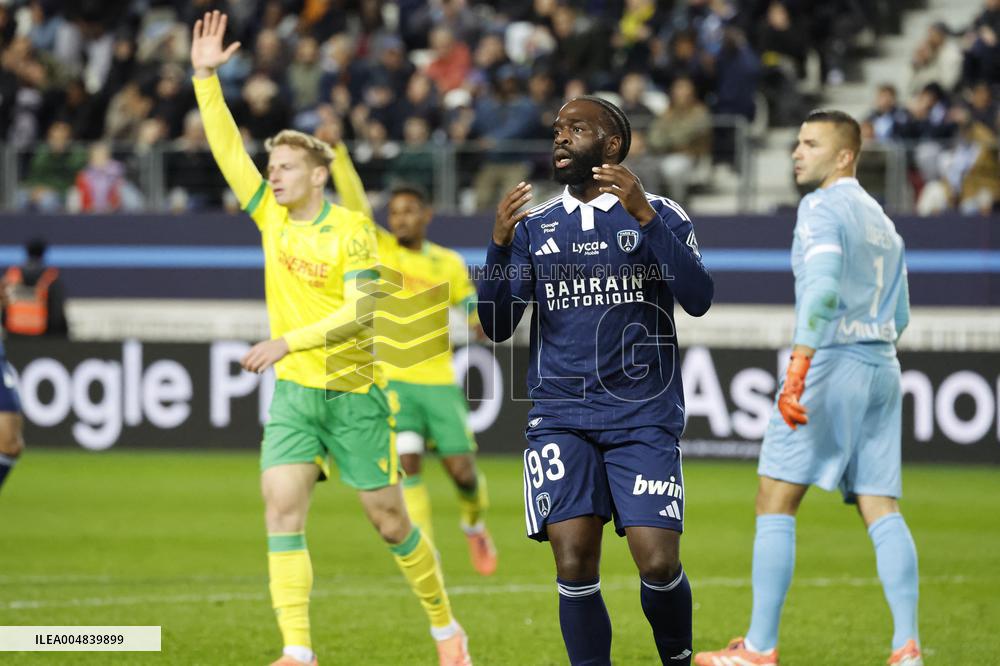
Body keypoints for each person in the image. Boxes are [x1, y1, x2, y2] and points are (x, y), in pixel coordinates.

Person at [189, 12, 470, 666]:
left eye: (285, 166)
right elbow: (227, 147)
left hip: (354, 395)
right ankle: (297, 651)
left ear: (319, 173)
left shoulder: (352, 230)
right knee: (281, 510)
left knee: (391, 522)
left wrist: (290, 340)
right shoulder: (271, 219)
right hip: (296, 397)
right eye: (271, 166)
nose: (272, 174)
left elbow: (364, 309)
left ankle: (445, 628)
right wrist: (205, 78)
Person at [479, 96, 714, 665]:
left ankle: (678, 660)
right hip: (561, 416)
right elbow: (496, 323)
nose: (560, 137)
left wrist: (645, 218)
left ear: (611, 146)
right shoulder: (536, 226)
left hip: (643, 417)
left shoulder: (663, 212)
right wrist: (498, 246)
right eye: (557, 127)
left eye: (576, 129)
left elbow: (698, 298)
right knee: (573, 562)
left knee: (657, 562)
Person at [694, 110, 920, 666]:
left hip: (831, 363)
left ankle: (760, 649)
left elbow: (820, 294)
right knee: (880, 504)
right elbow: (904, 314)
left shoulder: (820, 208)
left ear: (844, 155)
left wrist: (798, 371)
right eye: (796, 141)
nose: (797, 151)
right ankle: (907, 646)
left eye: (810, 143)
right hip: (882, 365)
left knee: (775, 496)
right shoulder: (885, 224)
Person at [2, 238, 68, 337]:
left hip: (14, 334)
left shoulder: (12, 276)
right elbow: (56, 312)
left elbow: (3, 306)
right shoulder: (51, 278)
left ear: (27, 252)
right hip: (42, 336)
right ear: (43, 254)